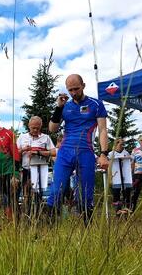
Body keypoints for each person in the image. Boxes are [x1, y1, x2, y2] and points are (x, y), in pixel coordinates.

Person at [47, 74, 109, 223]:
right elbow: (52, 128)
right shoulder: (65, 106)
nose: (73, 93)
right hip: (65, 153)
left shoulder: (96, 104)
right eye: (70, 90)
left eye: (76, 88)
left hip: (85, 152)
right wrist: (58, 108)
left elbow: (102, 130)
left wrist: (103, 154)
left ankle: (87, 230)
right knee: (57, 189)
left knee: (86, 193)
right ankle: (49, 228)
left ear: (83, 85)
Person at [17, 116, 55, 214]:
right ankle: (27, 217)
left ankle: (38, 217)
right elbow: (15, 153)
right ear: (29, 126)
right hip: (26, 170)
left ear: (41, 126)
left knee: (39, 196)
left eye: (37, 128)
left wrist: (38, 152)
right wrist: (24, 150)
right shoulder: (22, 137)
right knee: (27, 195)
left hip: (40, 169)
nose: (35, 130)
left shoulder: (46, 138)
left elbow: (54, 152)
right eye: (33, 128)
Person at [109, 138, 133, 214]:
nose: (123, 145)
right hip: (116, 177)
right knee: (116, 194)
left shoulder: (126, 153)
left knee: (127, 194)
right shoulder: (111, 154)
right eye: (121, 144)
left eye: (123, 144)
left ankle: (126, 210)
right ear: (116, 144)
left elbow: (131, 161)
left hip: (126, 177)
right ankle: (118, 211)